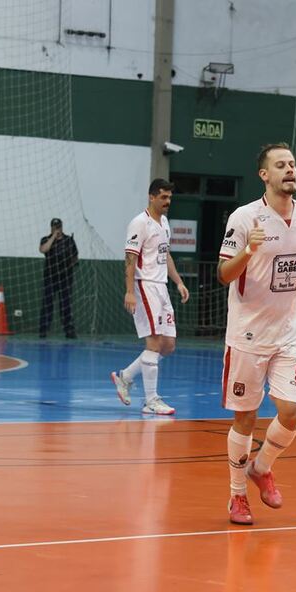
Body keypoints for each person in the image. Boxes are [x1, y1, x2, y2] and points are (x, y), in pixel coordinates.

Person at [216, 143, 296, 526]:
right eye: (281, 165)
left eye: (292, 163)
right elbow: (224, 273)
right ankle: (237, 496)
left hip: (290, 332)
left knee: (292, 412)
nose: (289, 170)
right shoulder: (245, 218)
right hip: (248, 335)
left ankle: (261, 468)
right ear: (265, 175)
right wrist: (248, 250)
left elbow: (292, 257)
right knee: (245, 419)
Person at [109, 178, 189, 415]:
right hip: (145, 287)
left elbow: (166, 255)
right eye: (163, 197)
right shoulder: (139, 223)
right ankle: (151, 400)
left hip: (162, 287)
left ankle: (125, 376)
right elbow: (130, 258)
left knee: (168, 346)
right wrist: (130, 291)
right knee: (154, 343)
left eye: (170, 198)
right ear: (151, 197)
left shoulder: (164, 222)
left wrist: (179, 281)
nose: (167, 202)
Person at [37, 217, 78, 338]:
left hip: (65, 278)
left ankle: (69, 330)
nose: (57, 229)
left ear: (62, 227)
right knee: (47, 304)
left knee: (65, 305)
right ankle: (43, 330)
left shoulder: (69, 240)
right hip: (50, 277)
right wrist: (53, 236)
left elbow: (75, 257)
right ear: (51, 228)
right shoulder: (45, 239)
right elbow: (43, 249)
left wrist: (70, 263)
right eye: (55, 227)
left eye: (59, 227)